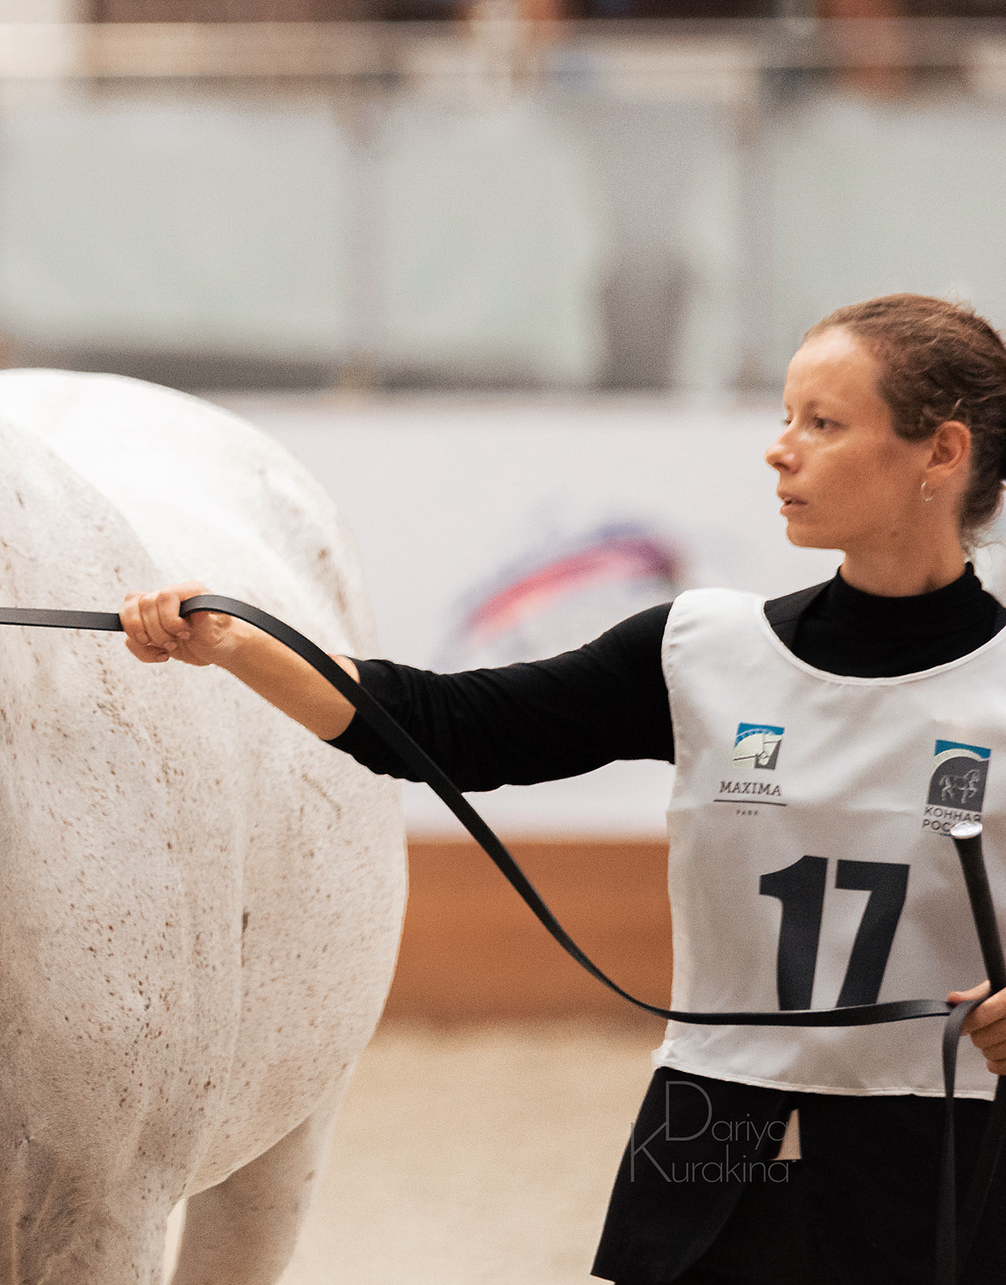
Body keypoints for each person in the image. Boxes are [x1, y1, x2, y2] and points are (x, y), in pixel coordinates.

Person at [121, 291, 1006, 1285]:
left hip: (953, 1150)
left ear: (941, 453)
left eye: (824, 422)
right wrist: (239, 643)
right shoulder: (699, 649)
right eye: (785, 414)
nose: (780, 448)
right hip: (707, 1131)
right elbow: (453, 726)